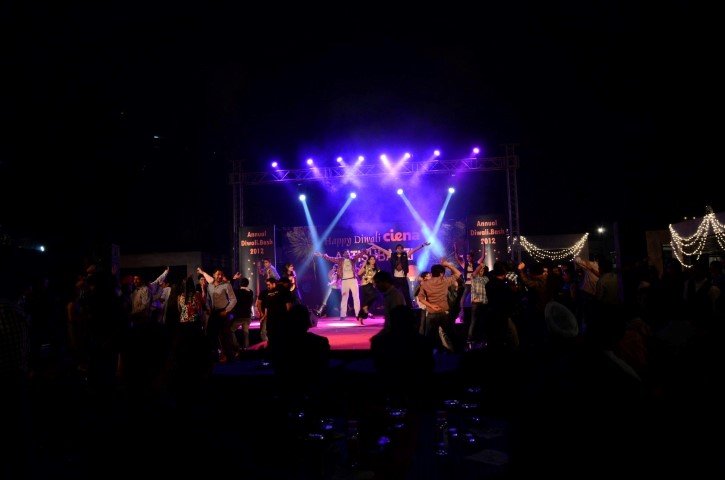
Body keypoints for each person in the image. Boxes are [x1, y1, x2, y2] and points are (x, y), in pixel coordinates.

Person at [369, 242, 430, 307]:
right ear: (396, 249)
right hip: (395, 278)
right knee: (392, 293)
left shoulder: (405, 255)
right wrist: (373, 245)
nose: (399, 249)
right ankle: (392, 306)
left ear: (403, 250)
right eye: (398, 248)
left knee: (406, 294)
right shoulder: (392, 255)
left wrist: (422, 245)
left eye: (401, 248)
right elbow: (382, 250)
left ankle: (409, 308)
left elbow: (414, 250)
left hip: (403, 278)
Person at [315, 249, 365, 320]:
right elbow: (330, 258)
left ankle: (358, 314)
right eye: (346, 253)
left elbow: (360, 254)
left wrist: (368, 250)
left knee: (356, 297)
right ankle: (343, 315)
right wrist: (321, 255)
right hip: (344, 281)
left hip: (353, 280)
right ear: (343, 254)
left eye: (348, 253)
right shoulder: (340, 260)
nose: (347, 254)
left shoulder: (353, 259)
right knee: (344, 297)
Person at [357, 253, 381, 324]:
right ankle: (365, 309)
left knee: (367, 300)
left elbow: (378, 277)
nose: (373, 260)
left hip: (372, 285)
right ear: (369, 260)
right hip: (365, 284)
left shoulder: (377, 268)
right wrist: (363, 266)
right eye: (371, 259)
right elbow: (359, 273)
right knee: (373, 296)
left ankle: (361, 316)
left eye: (374, 259)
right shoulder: (366, 266)